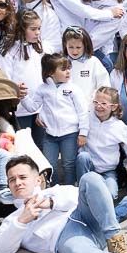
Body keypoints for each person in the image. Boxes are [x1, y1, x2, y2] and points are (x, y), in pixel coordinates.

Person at [30, 53, 88, 184]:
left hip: (70, 134)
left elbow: (83, 112)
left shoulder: (73, 88)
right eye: (63, 69)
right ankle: (54, 190)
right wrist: (23, 97)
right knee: (50, 164)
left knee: (68, 164)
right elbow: (33, 107)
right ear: (51, 72)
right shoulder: (42, 89)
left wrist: (83, 133)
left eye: (69, 68)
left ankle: (70, 189)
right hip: (50, 135)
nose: (68, 72)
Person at [0, 10, 46, 141]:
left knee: (40, 146)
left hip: (39, 109)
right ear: (21, 29)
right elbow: (5, 78)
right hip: (19, 110)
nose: (37, 32)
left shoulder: (38, 49)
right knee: (24, 145)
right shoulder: (9, 52)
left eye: (39, 28)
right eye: (33, 29)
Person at [76, 87, 127, 199]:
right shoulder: (87, 119)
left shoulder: (119, 127)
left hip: (108, 171)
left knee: (110, 195)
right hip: (89, 167)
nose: (98, 106)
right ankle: (82, 190)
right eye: (96, 102)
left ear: (114, 106)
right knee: (83, 156)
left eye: (103, 103)